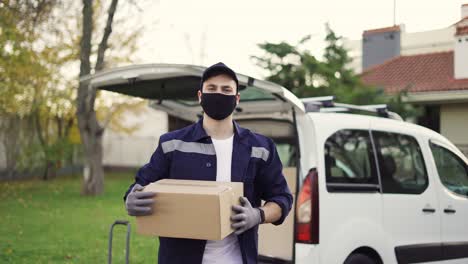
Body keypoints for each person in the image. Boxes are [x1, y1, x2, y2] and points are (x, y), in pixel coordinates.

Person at [123, 62, 293, 264]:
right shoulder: (172, 144)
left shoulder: (261, 148)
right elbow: (141, 184)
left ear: (236, 98)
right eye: (212, 89)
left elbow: (282, 198)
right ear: (200, 96)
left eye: (226, 89)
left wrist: (258, 215)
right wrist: (130, 200)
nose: (219, 94)